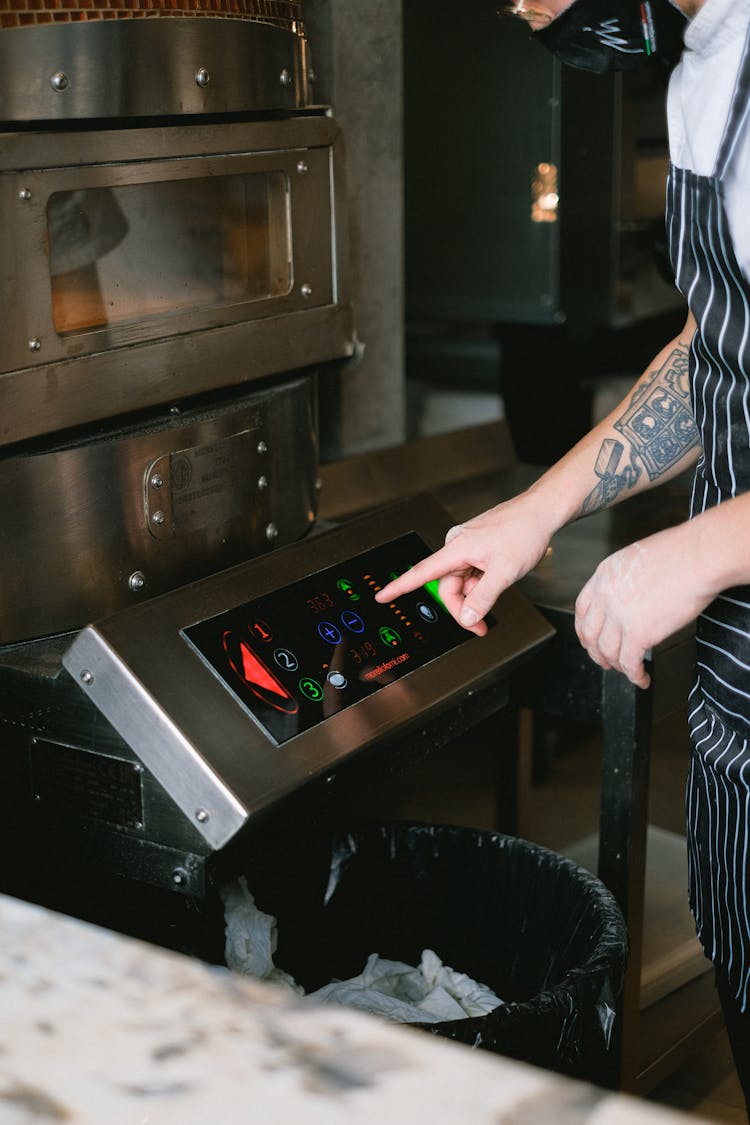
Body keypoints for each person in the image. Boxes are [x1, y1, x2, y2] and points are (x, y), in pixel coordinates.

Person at [376, 0, 750, 1105]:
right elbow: (718, 341)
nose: (520, 4)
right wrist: (537, 509)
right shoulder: (703, 74)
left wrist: (705, 547)